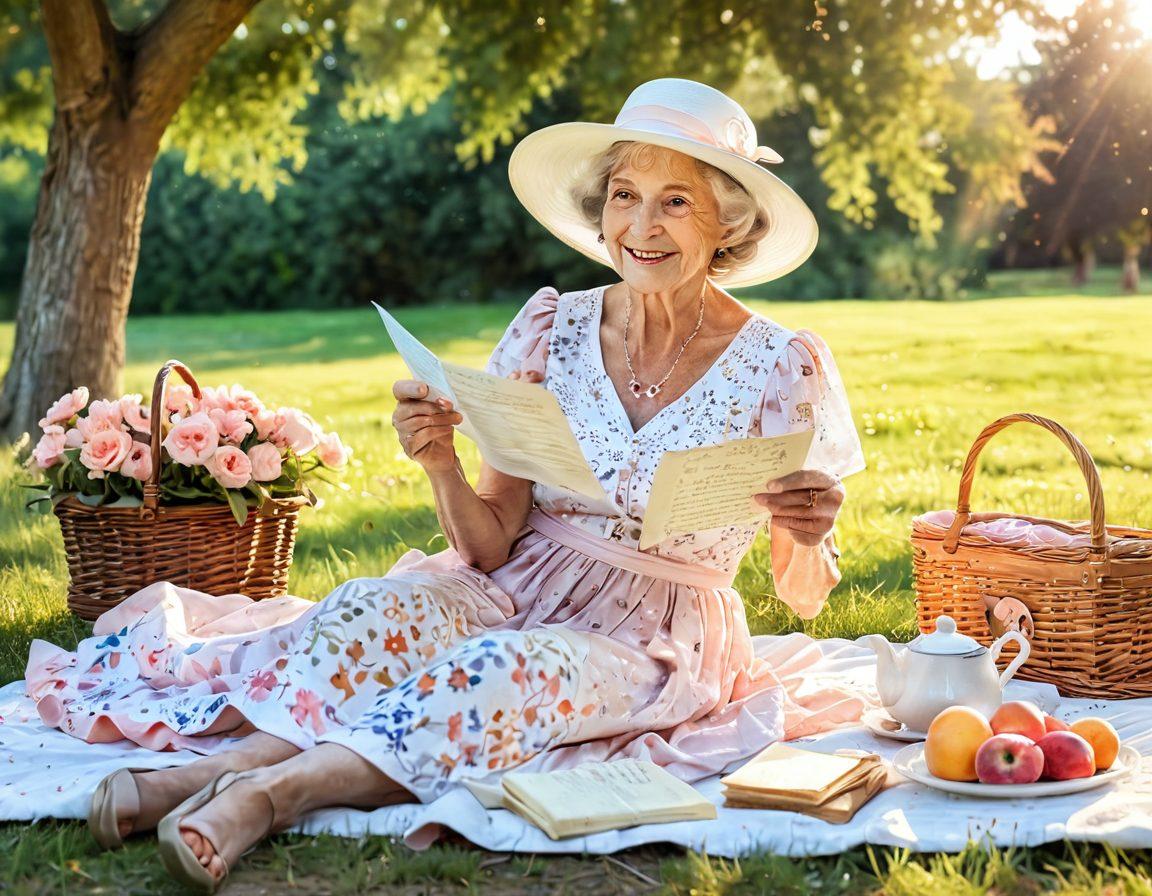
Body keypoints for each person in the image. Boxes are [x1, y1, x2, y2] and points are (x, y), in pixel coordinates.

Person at [24, 78, 865, 892]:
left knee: (504, 668)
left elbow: (803, 599)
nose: (639, 225)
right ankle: (215, 770)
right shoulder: (551, 324)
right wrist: (439, 463)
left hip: (662, 633)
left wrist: (809, 529)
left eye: (675, 201)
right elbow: (490, 541)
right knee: (371, 611)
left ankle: (272, 796)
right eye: (623, 195)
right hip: (517, 580)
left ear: (729, 221)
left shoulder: (781, 363)